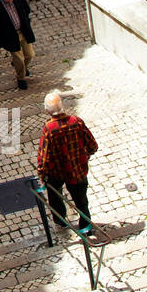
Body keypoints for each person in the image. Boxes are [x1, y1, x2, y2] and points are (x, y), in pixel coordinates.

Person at [36, 90, 98, 233]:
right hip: (77, 170)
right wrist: (83, 157)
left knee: (55, 196)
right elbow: (92, 145)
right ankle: (85, 226)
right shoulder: (77, 122)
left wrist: (41, 173)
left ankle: (61, 221)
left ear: (46, 110)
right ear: (62, 106)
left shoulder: (49, 129)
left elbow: (44, 157)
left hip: (56, 172)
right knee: (81, 200)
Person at [0, 0, 35, 89]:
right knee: (19, 60)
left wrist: (26, 22)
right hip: (10, 37)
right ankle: (21, 78)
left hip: (23, 31)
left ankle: (20, 67)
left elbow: (26, 9)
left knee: (30, 54)